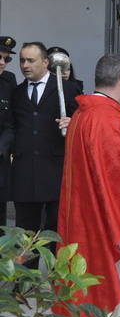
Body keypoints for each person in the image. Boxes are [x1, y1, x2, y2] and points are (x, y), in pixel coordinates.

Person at [56, 54, 120, 317]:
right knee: (114, 280)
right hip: (108, 222)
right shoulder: (109, 120)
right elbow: (118, 176)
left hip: (84, 213)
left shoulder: (82, 114)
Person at [11, 42, 78, 266]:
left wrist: (74, 123)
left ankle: (55, 281)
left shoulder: (67, 90)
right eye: (22, 60)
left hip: (55, 171)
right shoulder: (18, 92)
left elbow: (85, 124)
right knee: (25, 232)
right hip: (25, 171)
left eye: (30, 60)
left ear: (46, 62)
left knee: (55, 230)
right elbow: (13, 127)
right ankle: (25, 283)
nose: (25, 65)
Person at [0, 36, 15, 229]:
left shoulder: (9, 81)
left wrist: (2, 147)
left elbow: (12, 122)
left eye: (6, 58)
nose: (2, 63)